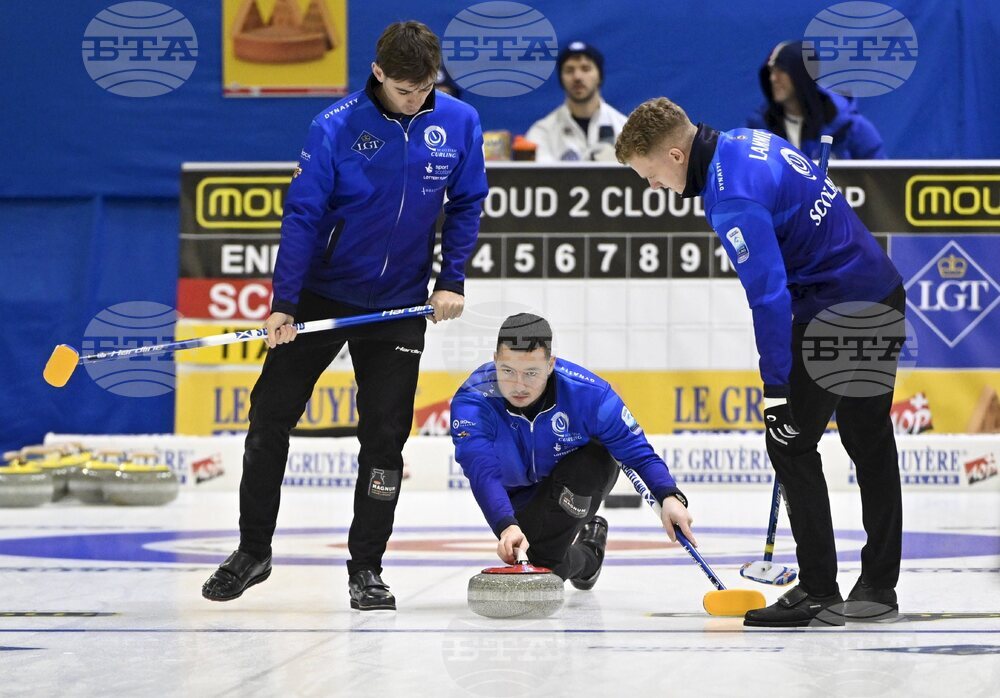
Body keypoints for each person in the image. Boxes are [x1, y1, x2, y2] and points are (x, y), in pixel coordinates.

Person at [201, 21, 488, 611]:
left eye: (426, 88)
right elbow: (303, 216)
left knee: (385, 437)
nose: (417, 100)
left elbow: (467, 202)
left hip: (399, 302)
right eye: (405, 90)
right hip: (322, 294)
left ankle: (367, 568)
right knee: (269, 415)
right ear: (378, 73)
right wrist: (284, 303)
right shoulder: (333, 126)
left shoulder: (460, 121)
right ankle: (253, 550)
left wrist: (450, 280)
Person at [616, 98, 904, 627]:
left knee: (789, 442)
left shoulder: (730, 196)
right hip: (880, 290)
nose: (653, 187)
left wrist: (776, 391)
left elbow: (768, 297)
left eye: (650, 175)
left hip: (835, 312)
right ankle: (879, 587)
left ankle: (818, 591)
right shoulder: (746, 141)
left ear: (676, 155)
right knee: (869, 440)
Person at [450, 313, 694, 586]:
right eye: (507, 371)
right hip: (518, 497)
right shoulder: (473, 399)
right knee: (542, 565)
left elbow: (638, 451)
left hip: (580, 477)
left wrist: (669, 495)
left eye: (531, 373)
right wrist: (506, 524)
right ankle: (590, 555)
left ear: (550, 364)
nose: (519, 385)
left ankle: (580, 548)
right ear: (495, 360)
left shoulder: (591, 395)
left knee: (592, 462)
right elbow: (482, 470)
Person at [747, 40, 886, 160]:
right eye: (771, 71)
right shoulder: (758, 128)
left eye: (781, 70)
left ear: (801, 75)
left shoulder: (849, 127)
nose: (773, 78)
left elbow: (879, 176)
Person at [524, 41, 628, 162]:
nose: (577, 77)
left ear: (599, 76)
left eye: (586, 69)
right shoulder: (542, 132)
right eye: (569, 70)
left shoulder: (624, 128)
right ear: (561, 79)